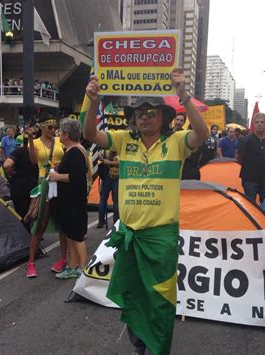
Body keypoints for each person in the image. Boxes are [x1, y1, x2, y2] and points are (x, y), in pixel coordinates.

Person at [83, 67, 208, 355]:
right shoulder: (124, 141)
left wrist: (184, 95)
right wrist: (92, 100)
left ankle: (157, 347)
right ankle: (140, 344)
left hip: (160, 239)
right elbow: (90, 133)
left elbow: (200, 132)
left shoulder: (176, 142)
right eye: (140, 113)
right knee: (135, 295)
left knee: (161, 299)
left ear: (164, 117)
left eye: (152, 112)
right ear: (133, 119)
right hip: (129, 237)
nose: (146, 117)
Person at [25, 113, 67, 278]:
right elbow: (34, 161)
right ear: (42, 127)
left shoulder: (59, 141)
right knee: (40, 223)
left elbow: (68, 157)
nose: (53, 130)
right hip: (44, 182)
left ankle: (63, 259)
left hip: (59, 182)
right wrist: (29, 139)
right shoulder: (34, 142)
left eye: (54, 127)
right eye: (49, 127)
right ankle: (30, 263)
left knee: (62, 224)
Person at [48, 118, 89, 279]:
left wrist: (57, 176)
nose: (58, 133)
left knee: (77, 237)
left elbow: (77, 177)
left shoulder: (75, 152)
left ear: (66, 134)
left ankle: (83, 270)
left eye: (60, 131)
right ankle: (73, 266)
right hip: (69, 202)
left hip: (74, 202)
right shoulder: (73, 150)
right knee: (71, 235)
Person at [3, 131, 38, 231]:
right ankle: (34, 234)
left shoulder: (17, 152)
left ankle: (25, 236)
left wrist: (11, 174)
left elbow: (7, 165)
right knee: (33, 212)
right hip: (34, 187)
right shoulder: (38, 152)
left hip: (18, 187)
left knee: (22, 214)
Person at [236, 112, 265, 203]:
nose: (259, 124)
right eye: (257, 122)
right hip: (249, 179)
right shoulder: (246, 140)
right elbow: (238, 158)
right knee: (251, 205)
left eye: (262, 122)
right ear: (253, 123)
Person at [96, 149, 119, 229]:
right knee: (115, 202)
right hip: (114, 177)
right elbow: (121, 163)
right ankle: (115, 223)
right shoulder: (120, 150)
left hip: (108, 177)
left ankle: (101, 221)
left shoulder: (107, 150)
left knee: (104, 199)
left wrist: (106, 161)